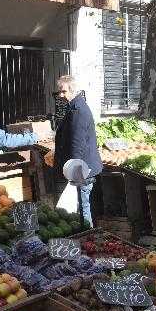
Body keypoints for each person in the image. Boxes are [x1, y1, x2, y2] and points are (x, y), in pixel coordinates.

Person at [52, 75, 102, 228]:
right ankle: (86, 232)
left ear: (72, 90)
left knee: (83, 207)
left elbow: (77, 144)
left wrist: (76, 172)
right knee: (82, 205)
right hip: (83, 166)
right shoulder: (74, 106)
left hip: (83, 167)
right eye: (59, 92)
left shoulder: (78, 110)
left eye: (64, 91)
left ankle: (88, 234)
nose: (61, 95)